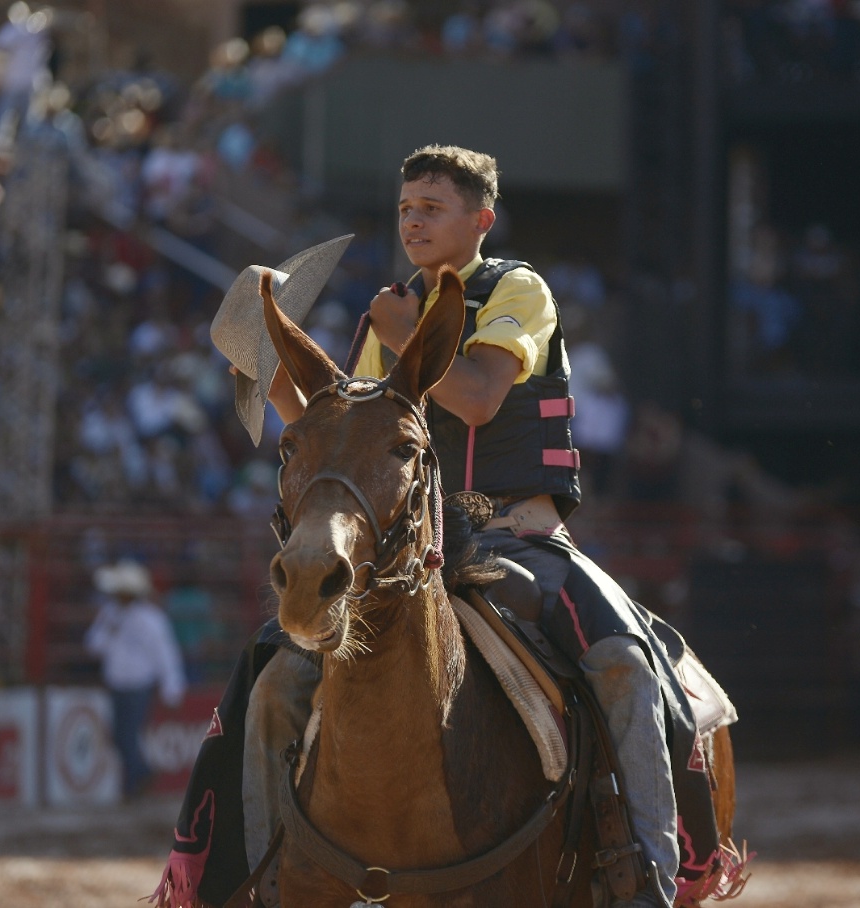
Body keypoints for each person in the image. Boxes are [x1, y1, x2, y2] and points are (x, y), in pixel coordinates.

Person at [158, 147, 722, 908]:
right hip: (406, 550)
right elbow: (349, 431)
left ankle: (648, 877)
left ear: (479, 219)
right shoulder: (388, 309)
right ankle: (258, 875)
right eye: (404, 208)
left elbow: (481, 398)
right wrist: (264, 374)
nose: (412, 221)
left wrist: (399, 333)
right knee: (272, 683)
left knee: (621, 662)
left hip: (519, 538)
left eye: (431, 207)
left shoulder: (515, 289)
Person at [85, 558, 186, 802]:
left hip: (139, 686)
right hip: (117, 684)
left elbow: (165, 654)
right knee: (121, 736)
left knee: (127, 735)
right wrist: (110, 632)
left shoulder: (151, 619)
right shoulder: (109, 615)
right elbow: (93, 645)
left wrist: (172, 687)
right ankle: (140, 776)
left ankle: (135, 783)